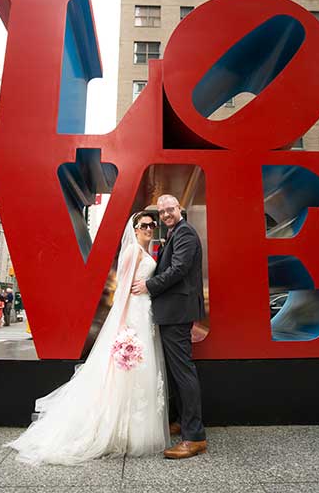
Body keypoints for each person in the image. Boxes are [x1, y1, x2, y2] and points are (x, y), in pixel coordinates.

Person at [7, 212, 168, 464]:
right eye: (144, 225)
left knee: (142, 371)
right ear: (135, 229)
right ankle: (117, 429)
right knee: (125, 372)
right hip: (133, 315)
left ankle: (134, 430)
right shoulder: (132, 252)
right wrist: (123, 325)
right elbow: (123, 290)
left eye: (152, 225)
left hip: (145, 314)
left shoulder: (145, 252)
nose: (149, 228)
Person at [131, 195, 207, 459]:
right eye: (162, 211)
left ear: (180, 209)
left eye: (170, 209)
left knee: (183, 372)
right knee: (176, 372)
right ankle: (180, 421)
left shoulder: (185, 233)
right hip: (171, 312)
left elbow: (178, 269)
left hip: (177, 313)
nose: (165, 214)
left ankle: (194, 437)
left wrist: (148, 286)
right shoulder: (174, 233)